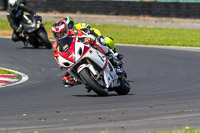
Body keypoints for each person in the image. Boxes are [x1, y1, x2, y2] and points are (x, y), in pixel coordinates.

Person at [51, 21, 123, 87]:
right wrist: (62, 66)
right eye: (57, 33)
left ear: (66, 30)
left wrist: (88, 38)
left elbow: (84, 35)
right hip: (72, 59)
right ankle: (87, 81)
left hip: (85, 48)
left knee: (99, 41)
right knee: (66, 81)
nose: (60, 35)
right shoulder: (55, 47)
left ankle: (112, 58)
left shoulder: (74, 31)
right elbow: (58, 60)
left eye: (61, 32)